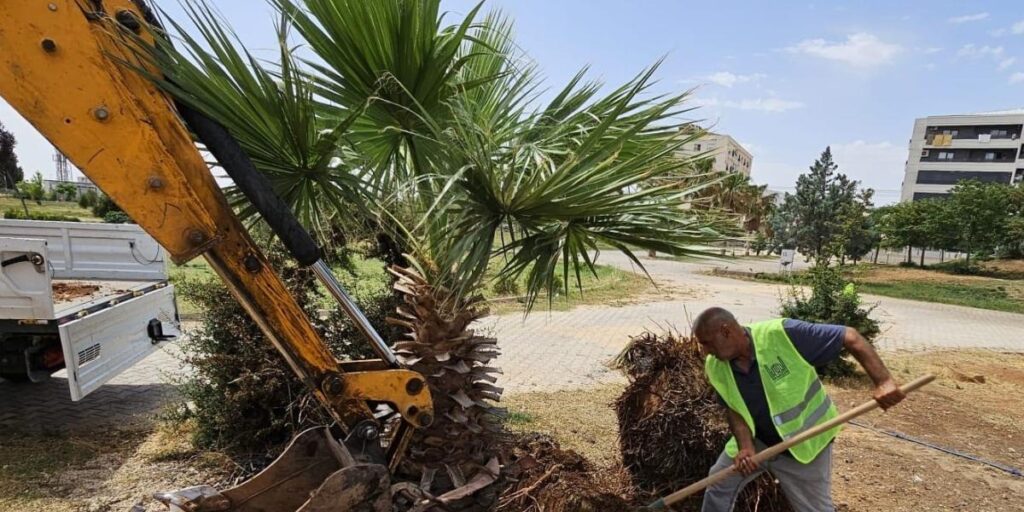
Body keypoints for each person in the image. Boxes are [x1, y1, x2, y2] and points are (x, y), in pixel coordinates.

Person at [693, 307, 905, 512]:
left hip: (804, 444)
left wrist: (884, 381)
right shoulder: (715, 365)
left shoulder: (783, 334)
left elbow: (851, 336)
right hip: (759, 441)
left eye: (707, 343)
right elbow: (734, 409)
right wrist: (746, 447)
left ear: (726, 331)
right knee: (719, 483)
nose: (705, 351)